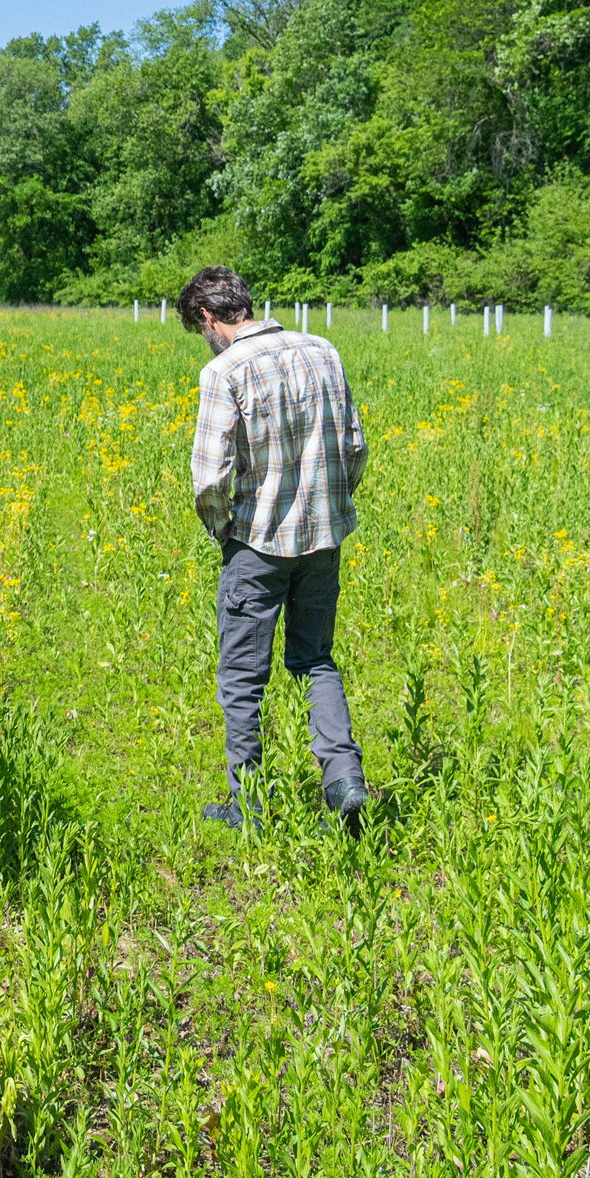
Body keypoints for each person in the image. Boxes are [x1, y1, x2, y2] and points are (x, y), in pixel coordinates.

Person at [178, 266, 372, 833]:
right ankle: (344, 780)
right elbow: (354, 446)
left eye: (200, 328)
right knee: (315, 659)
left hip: (257, 543)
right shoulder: (323, 350)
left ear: (210, 318)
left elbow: (210, 478)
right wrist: (330, 505)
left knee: (242, 676)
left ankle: (250, 807)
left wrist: (224, 533)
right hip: (324, 539)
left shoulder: (223, 370)